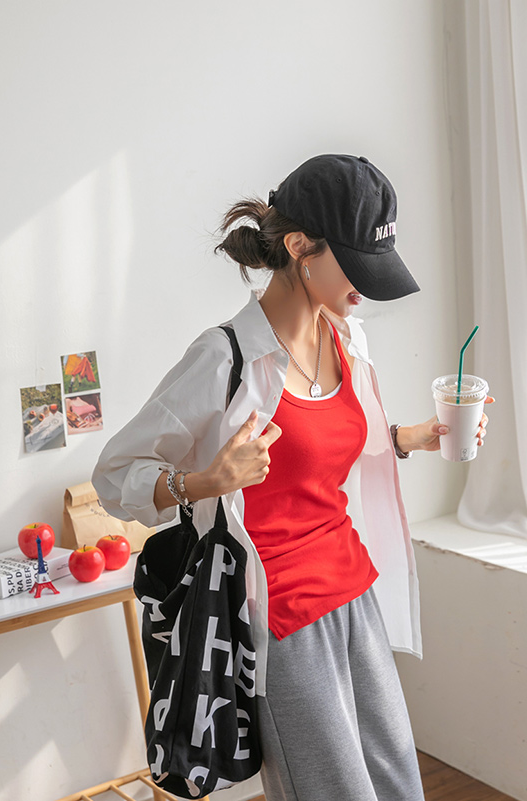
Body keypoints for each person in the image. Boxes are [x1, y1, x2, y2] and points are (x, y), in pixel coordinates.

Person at [92, 154, 489, 801]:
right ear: (301, 248)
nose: (367, 286)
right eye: (356, 264)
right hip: (280, 615)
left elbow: (320, 451)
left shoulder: (347, 339)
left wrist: (407, 437)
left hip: (354, 588)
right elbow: (113, 476)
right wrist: (205, 481)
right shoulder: (224, 357)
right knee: (334, 792)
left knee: (399, 786)